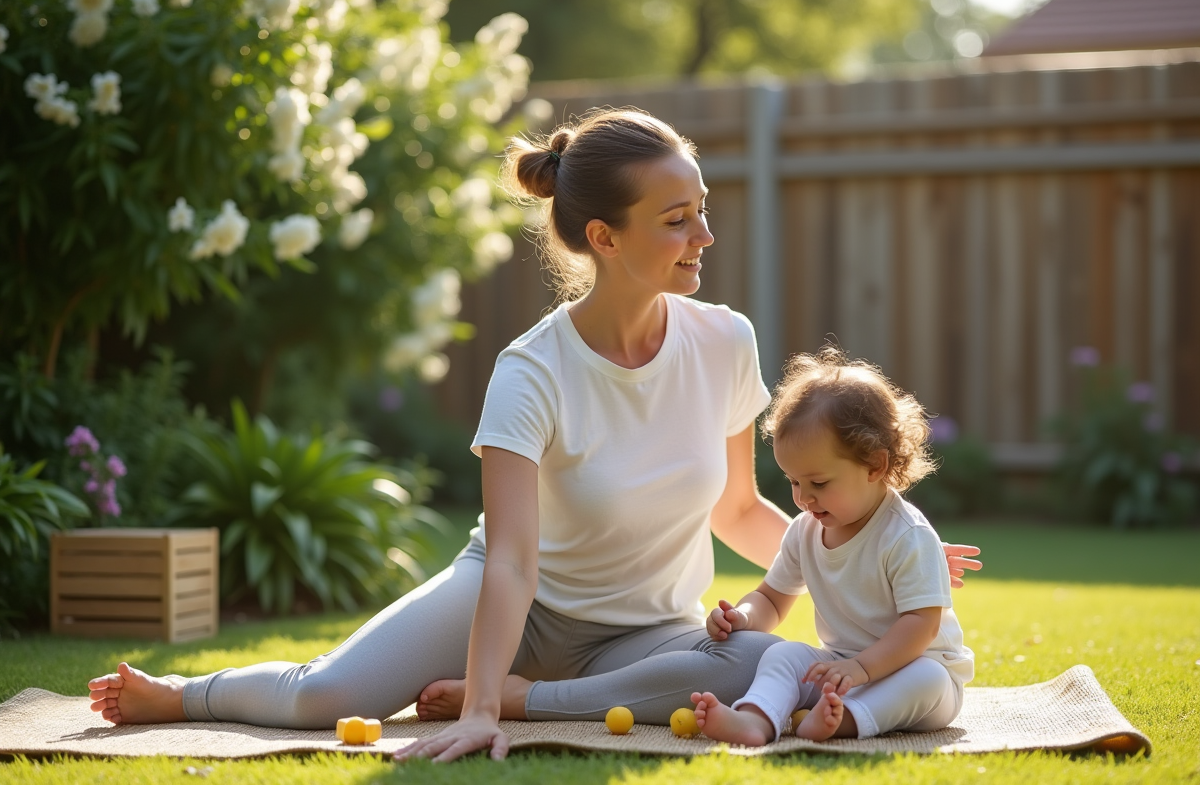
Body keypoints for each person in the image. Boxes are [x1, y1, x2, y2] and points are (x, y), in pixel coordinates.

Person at [86, 109, 981, 763]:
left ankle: (539, 702)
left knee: (775, 664)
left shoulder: (725, 341)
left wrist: (868, 548)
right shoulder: (531, 370)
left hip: (646, 633)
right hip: (511, 607)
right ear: (605, 236)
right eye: (677, 220)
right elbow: (511, 561)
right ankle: (182, 693)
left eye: (701, 209)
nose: (703, 235)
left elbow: (741, 510)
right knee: (329, 697)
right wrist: (479, 704)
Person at [690, 347, 974, 746]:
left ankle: (846, 721)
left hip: (916, 667)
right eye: (793, 482)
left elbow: (920, 628)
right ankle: (756, 719)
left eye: (818, 483)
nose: (803, 498)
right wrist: (743, 616)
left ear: (875, 466)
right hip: (842, 667)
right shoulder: (805, 531)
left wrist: (863, 669)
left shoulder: (907, 536)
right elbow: (772, 599)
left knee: (927, 680)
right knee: (782, 656)